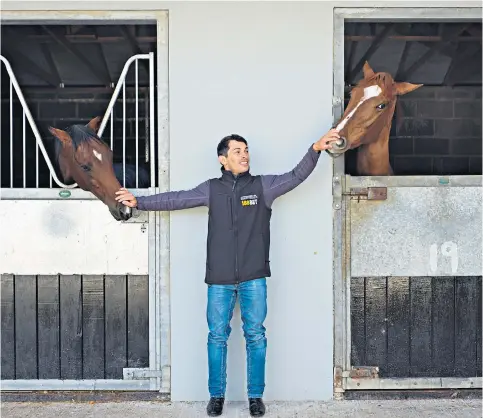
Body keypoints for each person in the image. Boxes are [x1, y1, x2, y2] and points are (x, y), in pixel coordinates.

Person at [115, 128, 340, 417]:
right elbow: (177, 199)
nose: (244, 155)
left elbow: (295, 176)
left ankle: (256, 397)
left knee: (256, 336)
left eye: (246, 150)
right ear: (223, 160)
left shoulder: (263, 187)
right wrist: (140, 202)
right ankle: (216, 396)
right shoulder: (211, 189)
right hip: (219, 279)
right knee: (217, 337)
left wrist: (316, 149)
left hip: (254, 277)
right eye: (237, 151)